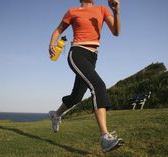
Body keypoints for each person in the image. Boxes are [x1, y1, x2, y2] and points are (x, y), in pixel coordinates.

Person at [48, 0, 123, 152]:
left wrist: (116, 11)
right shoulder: (73, 11)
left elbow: (116, 32)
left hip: (92, 57)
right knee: (98, 86)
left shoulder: (102, 9)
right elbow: (58, 30)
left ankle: (56, 114)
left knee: (76, 97)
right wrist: (52, 43)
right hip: (77, 53)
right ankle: (105, 137)